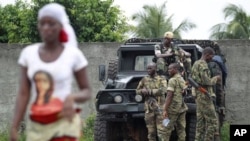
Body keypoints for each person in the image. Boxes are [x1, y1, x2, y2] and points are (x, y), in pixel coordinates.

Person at [9, 3, 91, 141]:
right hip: (37, 124)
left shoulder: (73, 55)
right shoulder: (28, 54)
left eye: (51, 23)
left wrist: (72, 98)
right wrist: (14, 126)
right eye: (43, 23)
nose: (46, 28)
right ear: (38, 26)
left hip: (65, 123)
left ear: (60, 26)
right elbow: (23, 93)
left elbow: (87, 90)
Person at [191, 47, 221, 141]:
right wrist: (216, 78)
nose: (211, 59)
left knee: (200, 123)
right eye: (211, 56)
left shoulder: (195, 63)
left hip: (198, 95)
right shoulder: (203, 64)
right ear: (207, 54)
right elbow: (206, 81)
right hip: (204, 95)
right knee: (212, 121)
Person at [136, 62, 167, 141]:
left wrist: (149, 91)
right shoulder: (144, 79)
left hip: (160, 109)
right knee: (151, 132)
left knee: (162, 131)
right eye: (147, 68)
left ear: (156, 69)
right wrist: (142, 91)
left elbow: (163, 90)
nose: (148, 70)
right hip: (149, 110)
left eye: (150, 68)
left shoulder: (162, 79)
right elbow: (137, 90)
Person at [163, 63, 188, 141]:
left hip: (173, 108)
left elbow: (169, 95)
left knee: (166, 129)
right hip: (181, 107)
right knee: (181, 129)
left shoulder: (172, 80)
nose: (168, 70)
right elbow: (184, 91)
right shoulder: (181, 78)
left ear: (176, 69)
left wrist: (165, 109)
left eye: (170, 69)